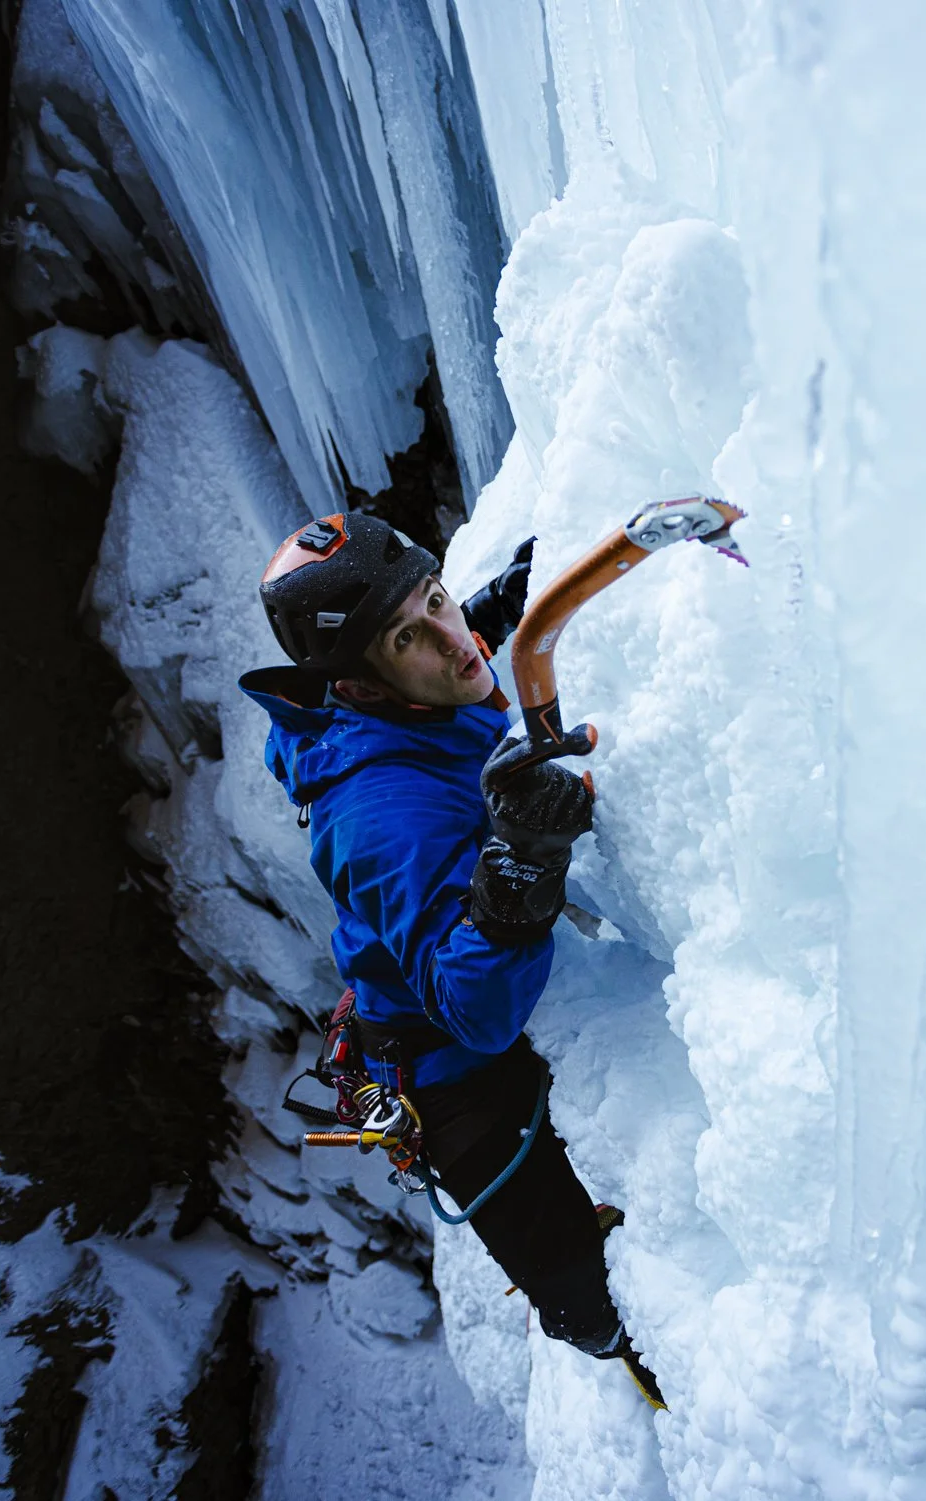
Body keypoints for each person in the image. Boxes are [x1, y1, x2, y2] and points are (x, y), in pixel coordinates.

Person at [240, 511, 662, 1409]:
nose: (451, 640)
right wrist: (521, 865)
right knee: (587, 1300)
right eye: (408, 637)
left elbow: (430, 647)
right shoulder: (379, 815)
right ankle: (643, 1367)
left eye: (436, 600)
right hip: (456, 1072)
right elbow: (475, 1008)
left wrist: (484, 613)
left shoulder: (394, 695)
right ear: (359, 684)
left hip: (432, 993)